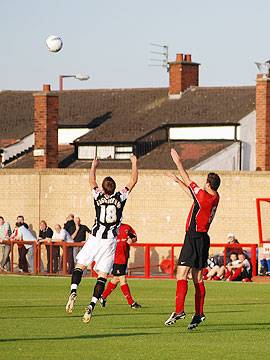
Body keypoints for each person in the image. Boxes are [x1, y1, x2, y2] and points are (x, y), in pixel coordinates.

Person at [65, 155, 138, 324]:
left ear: (104, 189)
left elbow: (92, 181)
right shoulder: (120, 197)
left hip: (95, 237)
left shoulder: (98, 196)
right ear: (114, 188)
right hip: (110, 241)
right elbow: (133, 180)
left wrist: (93, 165)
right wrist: (134, 163)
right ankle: (91, 305)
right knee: (102, 276)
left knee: (80, 266)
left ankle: (74, 290)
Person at [165, 148, 220, 330]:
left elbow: (191, 183)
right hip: (203, 238)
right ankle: (199, 314)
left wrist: (178, 162)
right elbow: (193, 195)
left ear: (208, 185)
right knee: (198, 278)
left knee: (181, 274)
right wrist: (178, 181)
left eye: (205, 182)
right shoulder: (214, 197)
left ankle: (179, 310)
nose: (203, 184)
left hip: (193, 237)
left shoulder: (204, 196)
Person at [100, 223, 141, 309]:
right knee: (123, 280)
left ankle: (103, 297)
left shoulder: (127, 227)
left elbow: (134, 237)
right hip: (116, 258)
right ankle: (131, 303)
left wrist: (132, 240)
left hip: (124, 257)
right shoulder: (110, 228)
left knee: (116, 279)